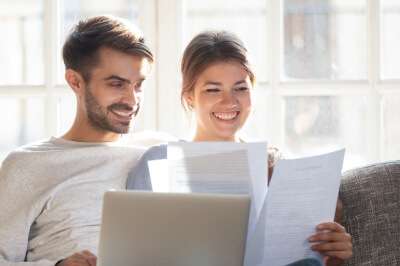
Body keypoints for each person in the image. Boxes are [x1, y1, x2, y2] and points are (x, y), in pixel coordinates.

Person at [127, 30, 352, 265]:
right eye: (213, 89)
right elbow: (131, 253)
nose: (229, 102)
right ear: (190, 97)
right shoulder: (157, 162)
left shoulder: (280, 165)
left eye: (241, 88)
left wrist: (333, 256)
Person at [0, 15, 172, 265]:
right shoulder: (27, 166)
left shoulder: (159, 151)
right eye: (117, 84)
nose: (132, 100)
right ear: (76, 82)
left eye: (138, 85)